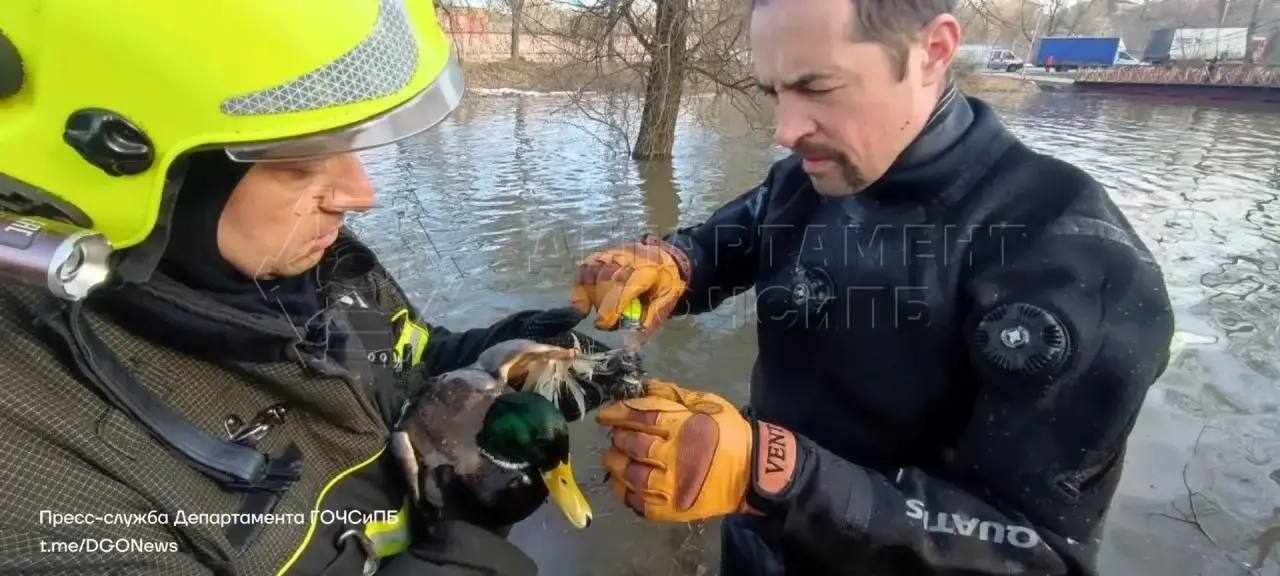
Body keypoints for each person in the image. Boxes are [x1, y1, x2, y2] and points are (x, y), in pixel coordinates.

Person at [575, 1, 1175, 575]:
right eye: (774, 92)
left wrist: (773, 474)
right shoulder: (804, 181)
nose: (784, 129)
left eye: (817, 88)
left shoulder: (1072, 258)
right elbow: (723, 245)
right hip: (757, 545)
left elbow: (1035, 553)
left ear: (931, 52)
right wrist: (673, 265)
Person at [0, 1, 590, 574]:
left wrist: (537, 361)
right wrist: (469, 550)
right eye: (302, 163)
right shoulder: (33, 460)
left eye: (348, 144)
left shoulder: (312, 263)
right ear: (148, 181)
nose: (360, 194)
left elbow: (409, 360)